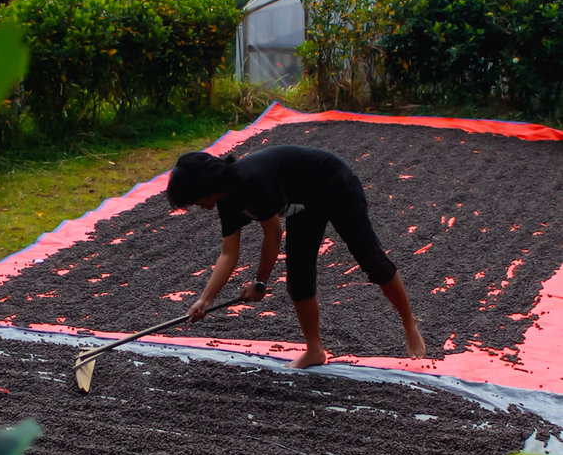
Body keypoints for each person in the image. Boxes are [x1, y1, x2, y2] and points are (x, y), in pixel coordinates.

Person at [166, 144, 426, 368]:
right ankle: (315, 350)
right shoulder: (226, 202)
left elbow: (273, 235)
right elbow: (228, 254)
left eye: (193, 200)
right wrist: (205, 300)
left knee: (371, 259)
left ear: (206, 188)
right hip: (302, 204)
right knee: (299, 277)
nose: (195, 206)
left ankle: (409, 323)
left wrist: (260, 284)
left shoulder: (252, 180)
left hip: (334, 183)